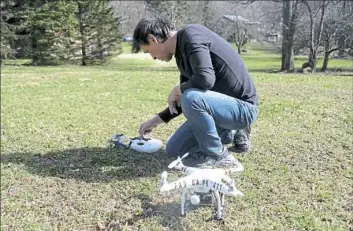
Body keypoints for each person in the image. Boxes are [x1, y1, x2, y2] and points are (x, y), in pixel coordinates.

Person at [132, 18, 259, 168]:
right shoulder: (180, 54)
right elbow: (182, 101)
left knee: (191, 97)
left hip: (243, 109)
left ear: (152, 39)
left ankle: (219, 156)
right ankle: (227, 132)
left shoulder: (192, 36)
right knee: (175, 148)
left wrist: (179, 89)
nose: (152, 57)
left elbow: (205, 80)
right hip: (218, 110)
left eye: (148, 51)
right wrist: (155, 121)